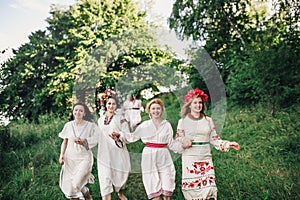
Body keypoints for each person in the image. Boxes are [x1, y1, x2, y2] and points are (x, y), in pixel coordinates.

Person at [111, 98, 192, 200]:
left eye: (158, 108)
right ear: (149, 110)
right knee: (154, 191)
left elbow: (171, 143)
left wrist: (183, 146)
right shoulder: (145, 125)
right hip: (149, 156)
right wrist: (119, 136)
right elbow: (131, 137)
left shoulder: (166, 125)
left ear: (162, 110)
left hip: (164, 156)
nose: (156, 111)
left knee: (167, 190)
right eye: (153, 109)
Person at [176, 88, 240, 200]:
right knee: (193, 190)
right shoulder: (183, 121)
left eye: (200, 102)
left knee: (209, 187)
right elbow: (178, 138)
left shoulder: (208, 120)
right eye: (195, 102)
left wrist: (228, 144)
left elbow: (214, 139)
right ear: (189, 105)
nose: (198, 105)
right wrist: (184, 141)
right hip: (190, 158)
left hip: (205, 157)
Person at [78, 90, 130, 200]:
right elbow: (96, 136)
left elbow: (127, 134)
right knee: (105, 178)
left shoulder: (121, 119)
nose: (111, 106)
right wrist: (85, 141)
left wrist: (119, 136)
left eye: (113, 104)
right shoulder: (100, 120)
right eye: (109, 103)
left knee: (119, 175)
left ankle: (120, 192)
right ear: (105, 105)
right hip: (104, 153)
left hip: (118, 151)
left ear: (116, 105)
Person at [58, 102, 96, 200]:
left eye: (80, 110)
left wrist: (84, 142)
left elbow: (96, 140)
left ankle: (85, 193)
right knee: (71, 189)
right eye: (76, 110)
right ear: (73, 112)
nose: (78, 112)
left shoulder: (91, 126)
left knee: (77, 183)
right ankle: (85, 192)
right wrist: (61, 155)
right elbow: (65, 141)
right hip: (70, 159)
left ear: (84, 113)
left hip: (84, 158)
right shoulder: (68, 125)